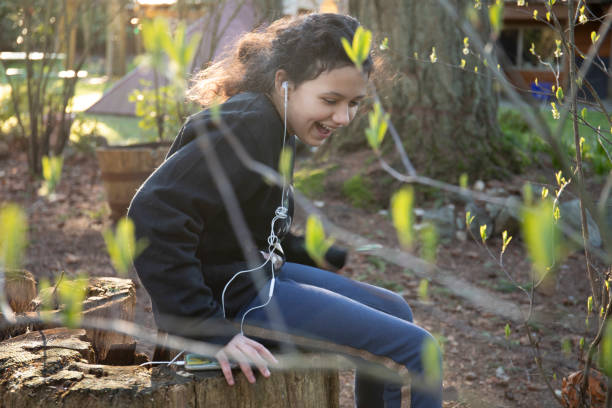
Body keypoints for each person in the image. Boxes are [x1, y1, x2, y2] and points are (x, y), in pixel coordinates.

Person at [128, 13, 442, 408]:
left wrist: (313, 253)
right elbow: (153, 213)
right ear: (283, 82)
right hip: (234, 302)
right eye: (330, 100)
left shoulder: (279, 127)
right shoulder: (250, 124)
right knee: (418, 350)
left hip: (256, 279)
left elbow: (248, 226)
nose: (343, 118)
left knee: (395, 309)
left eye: (354, 104)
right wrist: (206, 330)